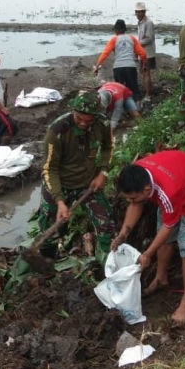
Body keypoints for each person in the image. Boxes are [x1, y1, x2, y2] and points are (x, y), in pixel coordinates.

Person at [112, 151, 185, 326]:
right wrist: (123, 234)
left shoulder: (168, 192)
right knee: (162, 232)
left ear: (146, 190)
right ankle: (161, 278)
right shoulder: (138, 172)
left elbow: (169, 227)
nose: (132, 201)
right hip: (180, 179)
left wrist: (147, 254)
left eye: (134, 197)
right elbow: (136, 204)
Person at [38, 91, 115, 262]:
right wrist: (59, 201)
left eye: (88, 121)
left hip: (88, 183)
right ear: (73, 111)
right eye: (79, 118)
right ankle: (47, 260)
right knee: (49, 228)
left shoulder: (102, 123)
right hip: (59, 184)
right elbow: (50, 170)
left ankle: (109, 263)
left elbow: (108, 147)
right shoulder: (57, 131)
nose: (83, 123)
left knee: (105, 224)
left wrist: (103, 172)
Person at [94, 19, 147, 101]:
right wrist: (144, 65)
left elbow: (105, 53)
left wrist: (97, 66)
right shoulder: (132, 38)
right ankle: (137, 107)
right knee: (134, 89)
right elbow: (143, 53)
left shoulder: (114, 40)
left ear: (116, 30)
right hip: (130, 67)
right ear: (125, 30)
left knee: (119, 90)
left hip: (118, 68)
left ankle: (122, 108)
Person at [135, 2, 157, 98]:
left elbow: (149, 38)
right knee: (144, 73)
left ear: (144, 12)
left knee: (146, 73)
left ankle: (148, 94)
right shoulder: (140, 23)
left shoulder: (148, 23)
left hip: (148, 53)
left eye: (139, 12)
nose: (138, 14)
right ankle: (149, 91)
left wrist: (137, 44)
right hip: (142, 52)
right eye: (136, 12)